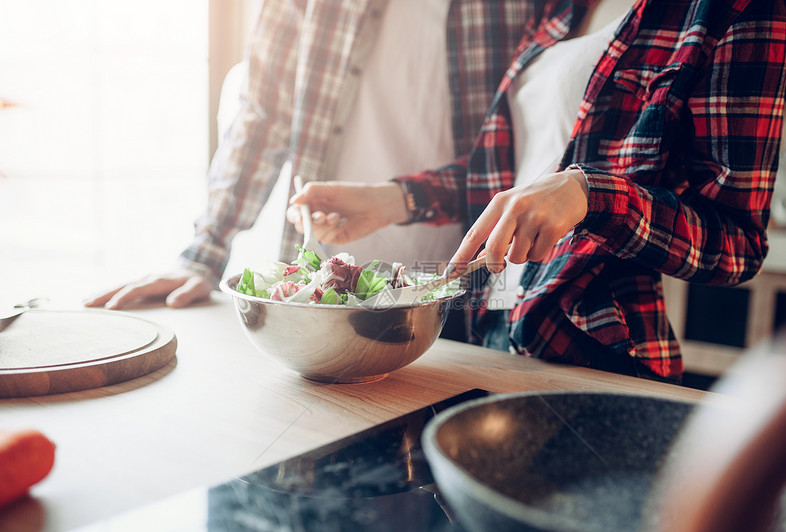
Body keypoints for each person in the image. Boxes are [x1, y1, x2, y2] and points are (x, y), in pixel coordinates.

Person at [288, 0, 786, 383]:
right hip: (485, 335)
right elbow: (519, 177)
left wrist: (589, 195)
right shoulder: (558, 8)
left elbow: (737, 242)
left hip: (593, 355)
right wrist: (393, 200)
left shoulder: (737, 9)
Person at [85, 0, 532, 341]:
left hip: (460, 286)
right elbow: (263, 110)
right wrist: (205, 251)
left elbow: (521, 141)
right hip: (322, 294)